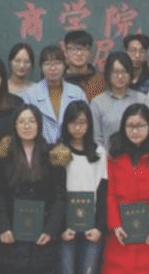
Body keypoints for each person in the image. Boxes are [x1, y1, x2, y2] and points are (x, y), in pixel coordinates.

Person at [103, 103, 149, 274]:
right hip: (121, 234)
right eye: (130, 126)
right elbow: (109, 193)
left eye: (140, 126)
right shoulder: (114, 155)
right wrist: (115, 224)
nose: (135, 131)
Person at [0, 105, 65, 274]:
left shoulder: (53, 154)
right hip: (11, 233)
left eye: (32, 121)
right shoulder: (4, 155)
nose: (27, 126)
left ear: (39, 125)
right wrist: (3, 226)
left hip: (43, 233)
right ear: (14, 125)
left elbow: (60, 196)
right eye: (22, 122)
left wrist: (50, 229)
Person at [51, 100, 107, 274]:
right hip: (67, 228)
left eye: (82, 123)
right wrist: (60, 228)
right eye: (73, 122)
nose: (77, 128)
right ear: (66, 124)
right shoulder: (58, 152)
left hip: (92, 228)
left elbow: (103, 192)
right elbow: (54, 193)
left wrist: (99, 227)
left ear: (89, 124)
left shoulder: (99, 153)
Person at [20, 45, 87, 144]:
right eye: (47, 64)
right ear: (41, 67)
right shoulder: (29, 94)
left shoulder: (77, 93)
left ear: (64, 66)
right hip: (40, 149)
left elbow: (86, 123)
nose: (52, 68)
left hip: (71, 148)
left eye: (57, 63)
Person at [90, 52, 147, 148]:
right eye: (115, 72)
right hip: (109, 155)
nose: (120, 76)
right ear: (108, 73)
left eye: (124, 71)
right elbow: (96, 139)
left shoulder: (142, 99)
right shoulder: (97, 103)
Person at [62, 31, 106, 100]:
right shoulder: (59, 80)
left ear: (90, 53)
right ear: (65, 53)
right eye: (74, 49)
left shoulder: (100, 81)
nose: (79, 54)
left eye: (84, 49)